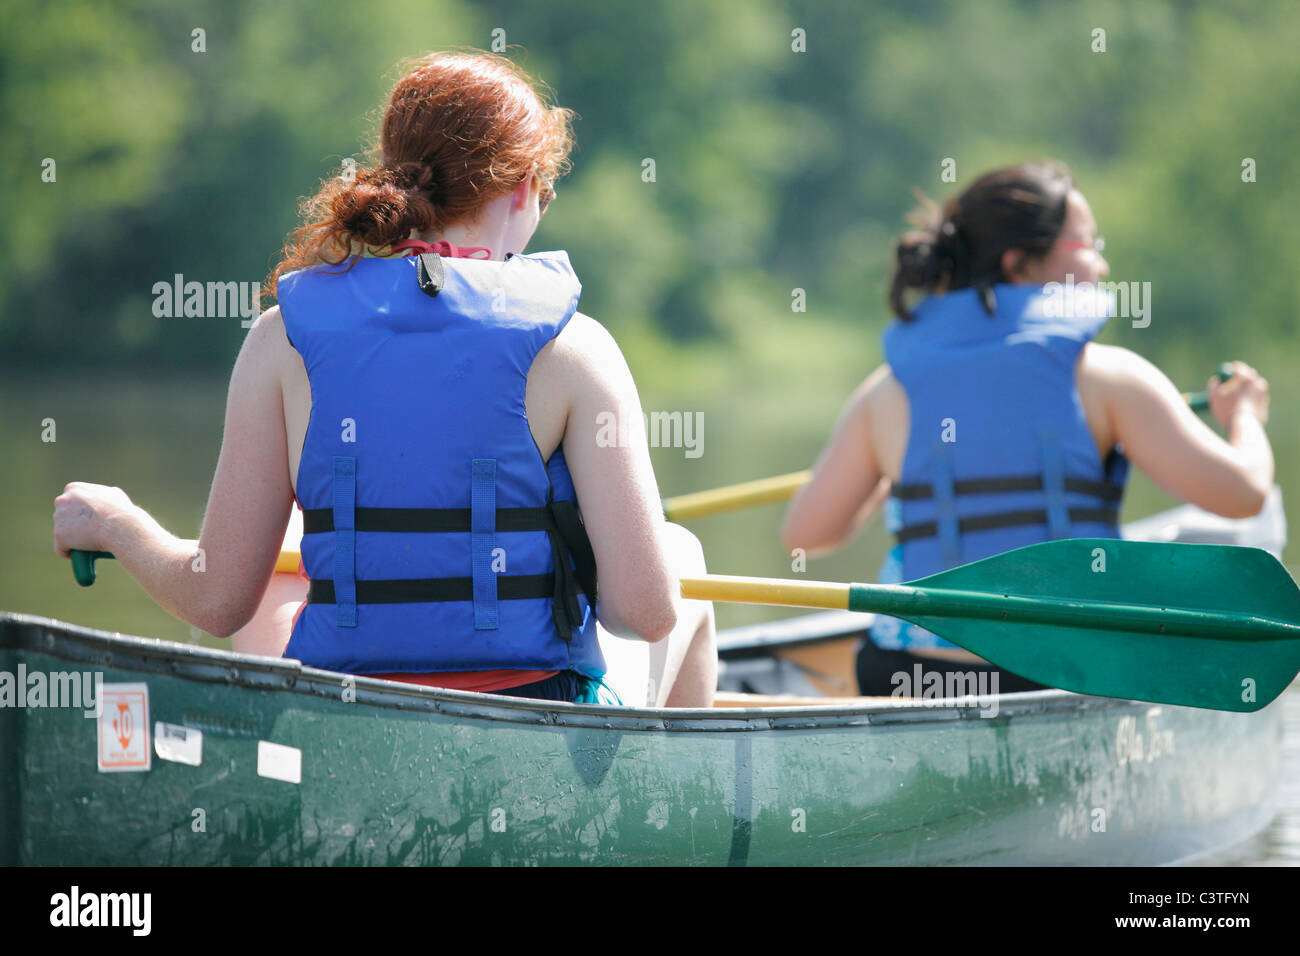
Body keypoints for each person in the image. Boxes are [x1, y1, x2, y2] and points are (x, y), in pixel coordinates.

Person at [53, 51, 716, 708]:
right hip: (538, 721)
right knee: (680, 550)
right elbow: (644, 615)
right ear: (522, 189)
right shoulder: (576, 346)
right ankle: (671, 803)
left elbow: (216, 600)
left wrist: (117, 523)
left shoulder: (281, 338)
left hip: (346, 718)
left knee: (284, 553)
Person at [781, 161, 1273, 697]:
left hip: (906, 672)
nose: (1103, 265)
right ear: (1018, 263)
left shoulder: (886, 391)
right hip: (1058, 669)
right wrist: (1243, 415)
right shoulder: (1109, 376)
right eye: (1087, 244)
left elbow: (806, 534)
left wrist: (897, 472)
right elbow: (1244, 494)